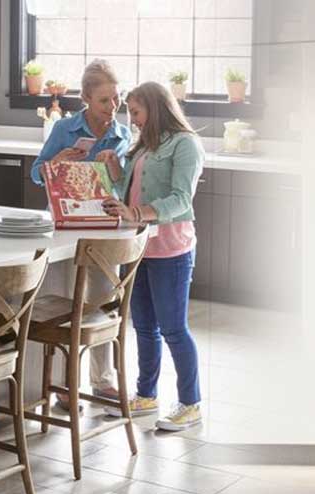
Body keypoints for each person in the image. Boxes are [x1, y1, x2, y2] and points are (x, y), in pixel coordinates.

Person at [100, 82, 204, 431]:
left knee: (173, 328)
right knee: (143, 326)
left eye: (136, 111)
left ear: (155, 108)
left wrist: (137, 213)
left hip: (171, 249)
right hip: (138, 246)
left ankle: (190, 403)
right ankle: (146, 395)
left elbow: (181, 199)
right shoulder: (143, 145)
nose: (132, 119)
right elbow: (126, 195)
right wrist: (115, 171)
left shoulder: (185, 144)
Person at [30, 60, 133, 409]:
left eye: (116, 99)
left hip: (104, 227)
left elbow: (124, 185)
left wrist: (114, 168)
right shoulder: (64, 128)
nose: (112, 106)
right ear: (86, 98)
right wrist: (58, 161)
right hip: (65, 226)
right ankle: (63, 384)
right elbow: (36, 173)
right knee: (63, 305)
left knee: (103, 304)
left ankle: (102, 380)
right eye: (105, 100)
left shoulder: (122, 134)